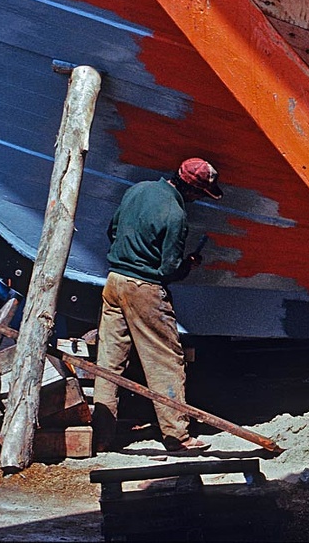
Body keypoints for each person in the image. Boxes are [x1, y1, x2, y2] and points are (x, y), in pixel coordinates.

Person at [91, 158, 223, 454]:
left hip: (114, 281)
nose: (198, 200)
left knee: (109, 362)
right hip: (145, 289)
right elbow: (167, 270)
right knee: (165, 360)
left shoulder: (138, 190)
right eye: (201, 194)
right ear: (192, 190)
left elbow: (112, 231)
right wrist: (188, 265)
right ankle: (177, 437)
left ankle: (100, 436)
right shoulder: (176, 215)